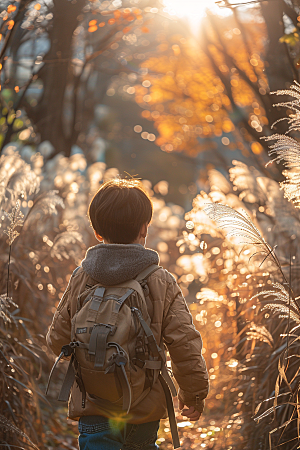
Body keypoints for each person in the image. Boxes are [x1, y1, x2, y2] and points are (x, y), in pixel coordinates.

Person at [46, 178, 209, 450]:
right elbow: (184, 343)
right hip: (142, 409)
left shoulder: (82, 277)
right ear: (144, 228)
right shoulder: (161, 280)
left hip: (93, 405)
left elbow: (56, 339)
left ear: (97, 231)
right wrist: (193, 393)